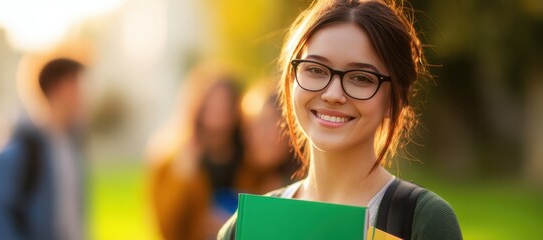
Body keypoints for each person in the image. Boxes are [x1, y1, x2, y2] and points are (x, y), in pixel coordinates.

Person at [218, 0, 462, 239]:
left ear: (394, 99)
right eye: (315, 69)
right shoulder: (244, 227)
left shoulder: (423, 221)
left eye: (361, 78)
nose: (333, 94)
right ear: (292, 81)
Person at [0, 58, 87, 240]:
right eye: (76, 85)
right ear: (57, 88)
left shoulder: (71, 146)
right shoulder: (21, 150)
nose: (84, 94)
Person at [148, 63, 244, 240]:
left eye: (225, 103)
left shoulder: (250, 156)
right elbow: (165, 227)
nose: (219, 111)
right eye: (212, 104)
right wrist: (182, 177)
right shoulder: (169, 158)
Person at [235, 86, 298, 195]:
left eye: (265, 124)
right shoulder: (237, 180)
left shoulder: (305, 190)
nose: (256, 135)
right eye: (249, 126)